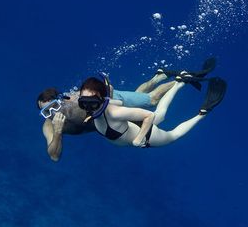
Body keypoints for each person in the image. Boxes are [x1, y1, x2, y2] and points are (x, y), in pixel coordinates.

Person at [37, 58, 216, 161]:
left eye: (53, 107)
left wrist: (110, 98)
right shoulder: (50, 125)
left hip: (113, 102)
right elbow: (54, 157)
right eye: (46, 112)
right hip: (116, 123)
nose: (52, 114)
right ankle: (158, 76)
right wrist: (58, 132)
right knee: (146, 103)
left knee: (152, 100)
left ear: (63, 100)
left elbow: (106, 92)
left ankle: (181, 80)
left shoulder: (78, 100)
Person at [77, 73, 227, 148]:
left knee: (173, 135)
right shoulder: (106, 102)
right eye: (84, 102)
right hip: (131, 124)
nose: (88, 107)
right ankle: (178, 84)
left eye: (92, 103)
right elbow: (114, 99)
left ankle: (202, 114)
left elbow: (148, 116)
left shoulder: (115, 113)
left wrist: (138, 139)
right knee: (160, 114)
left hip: (145, 134)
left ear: (101, 98)